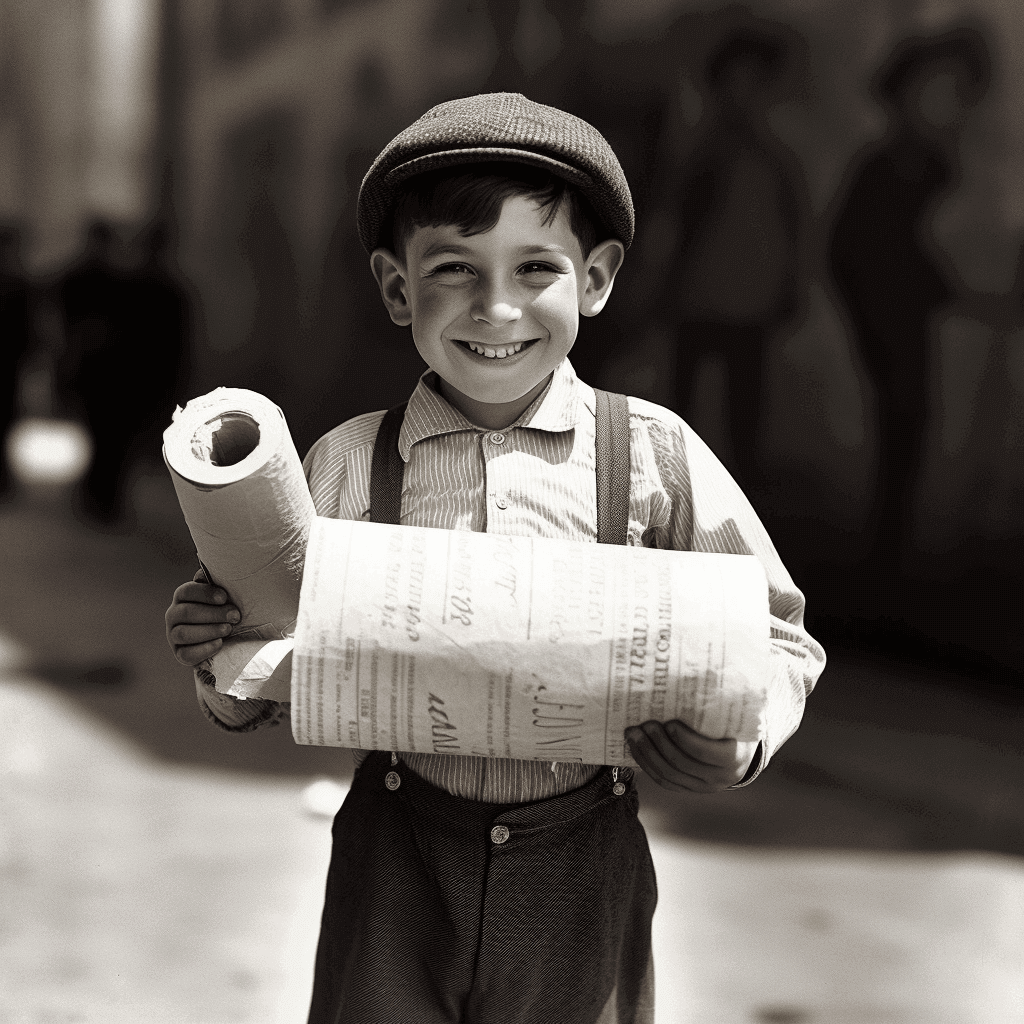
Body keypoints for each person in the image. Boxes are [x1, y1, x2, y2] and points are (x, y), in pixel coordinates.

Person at [165, 93, 825, 1024]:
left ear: (594, 280)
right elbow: (269, 656)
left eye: (536, 268)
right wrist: (220, 654)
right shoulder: (351, 461)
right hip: (398, 847)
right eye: (453, 270)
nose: (498, 307)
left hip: (581, 856)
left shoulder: (654, 453)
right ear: (398, 290)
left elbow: (782, 636)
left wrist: (741, 741)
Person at [829, 27, 991, 610]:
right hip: (891, 321)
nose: (945, 107)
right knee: (903, 426)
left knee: (914, 429)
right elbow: (854, 248)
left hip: (917, 321)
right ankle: (884, 559)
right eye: (933, 91)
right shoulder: (892, 168)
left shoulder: (937, 168)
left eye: (956, 93)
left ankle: (889, 554)